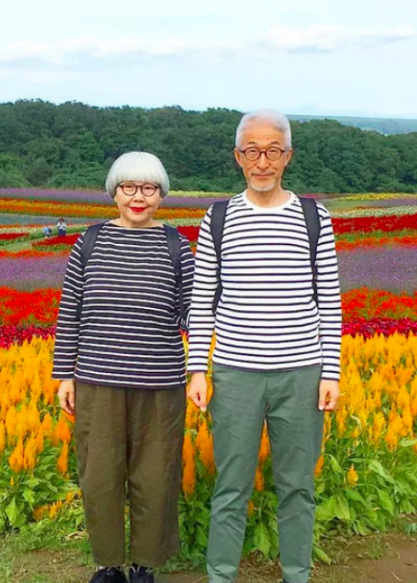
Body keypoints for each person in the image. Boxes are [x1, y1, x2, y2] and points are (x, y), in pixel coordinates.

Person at [187, 110, 342, 583]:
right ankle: (221, 575)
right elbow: (202, 300)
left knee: (298, 487)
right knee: (231, 487)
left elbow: (329, 299)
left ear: (287, 157)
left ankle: (297, 574)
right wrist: (198, 370)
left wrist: (331, 373)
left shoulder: (315, 217)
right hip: (235, 376)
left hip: (302, 374)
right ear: (238, 157)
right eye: (251, 151)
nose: (262, 161)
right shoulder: (217, 218)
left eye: (272, 151)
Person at [52, 151, 194, 583]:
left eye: (149, 188)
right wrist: (63, 373)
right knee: (100, 476)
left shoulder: (176, 245)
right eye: (128, 188)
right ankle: (108, 563)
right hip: (98, 381)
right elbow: (70, 310)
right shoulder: (90, 242)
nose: (138, 197)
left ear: (161, 195)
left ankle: (145, 564)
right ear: (114, 193)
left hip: (160, 385)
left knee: (156, 477)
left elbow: (193, 311)